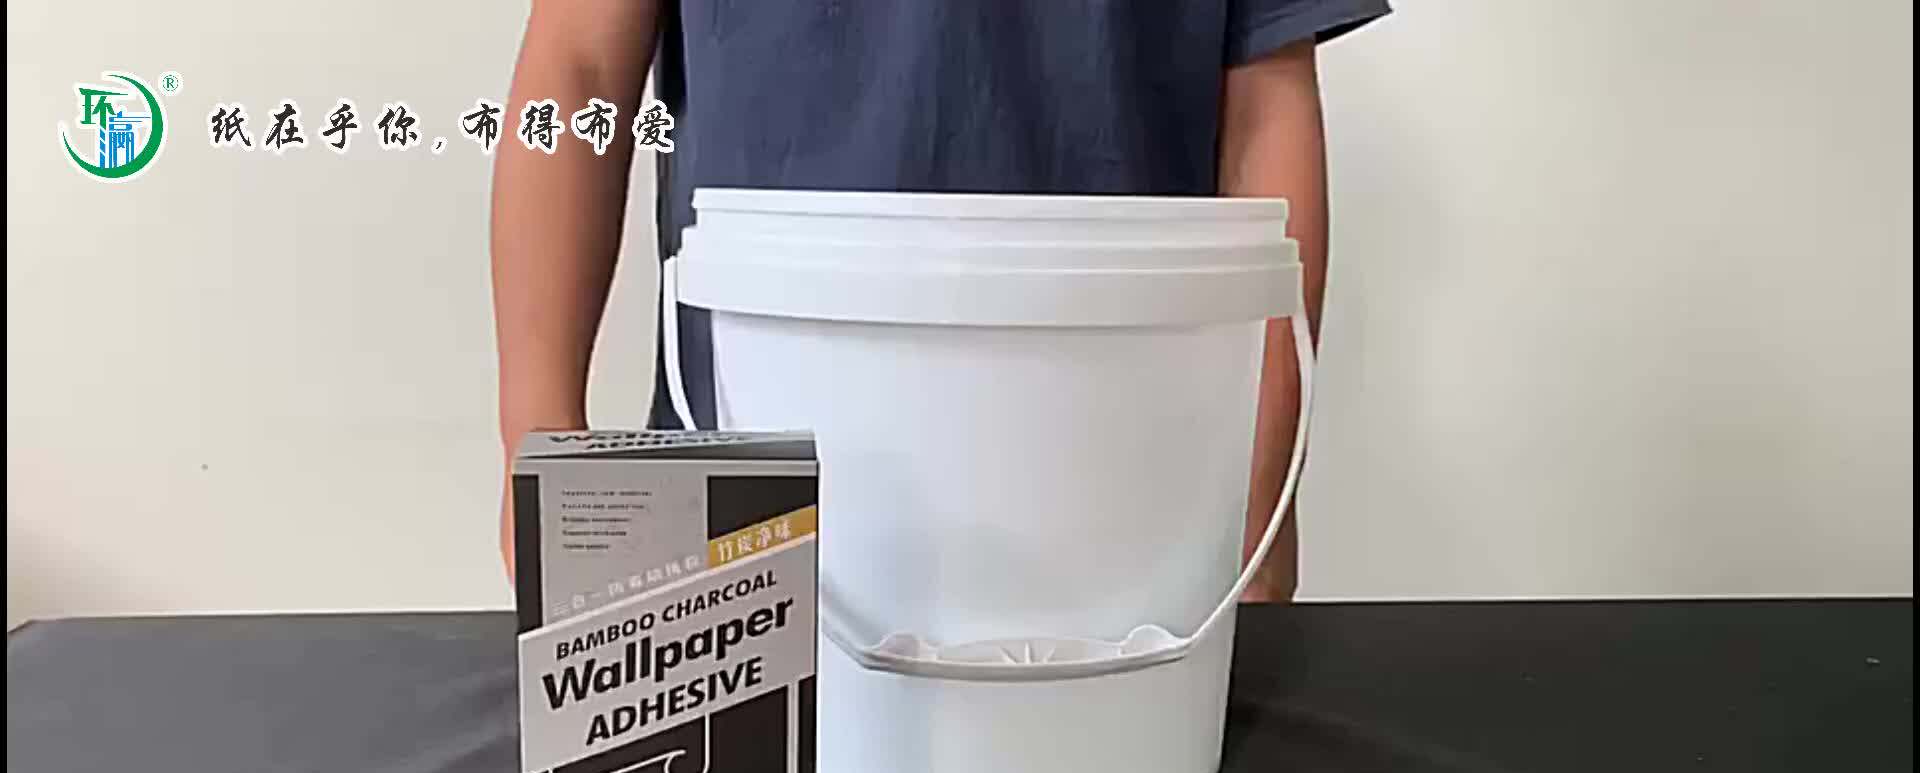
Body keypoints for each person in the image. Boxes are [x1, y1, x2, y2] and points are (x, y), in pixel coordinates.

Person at [494, 0, 1389, 601]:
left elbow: (1265, 112)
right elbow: (579, 68)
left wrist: (1257, 495)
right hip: (750, 500)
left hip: (1121, 494)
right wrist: (539, 442)